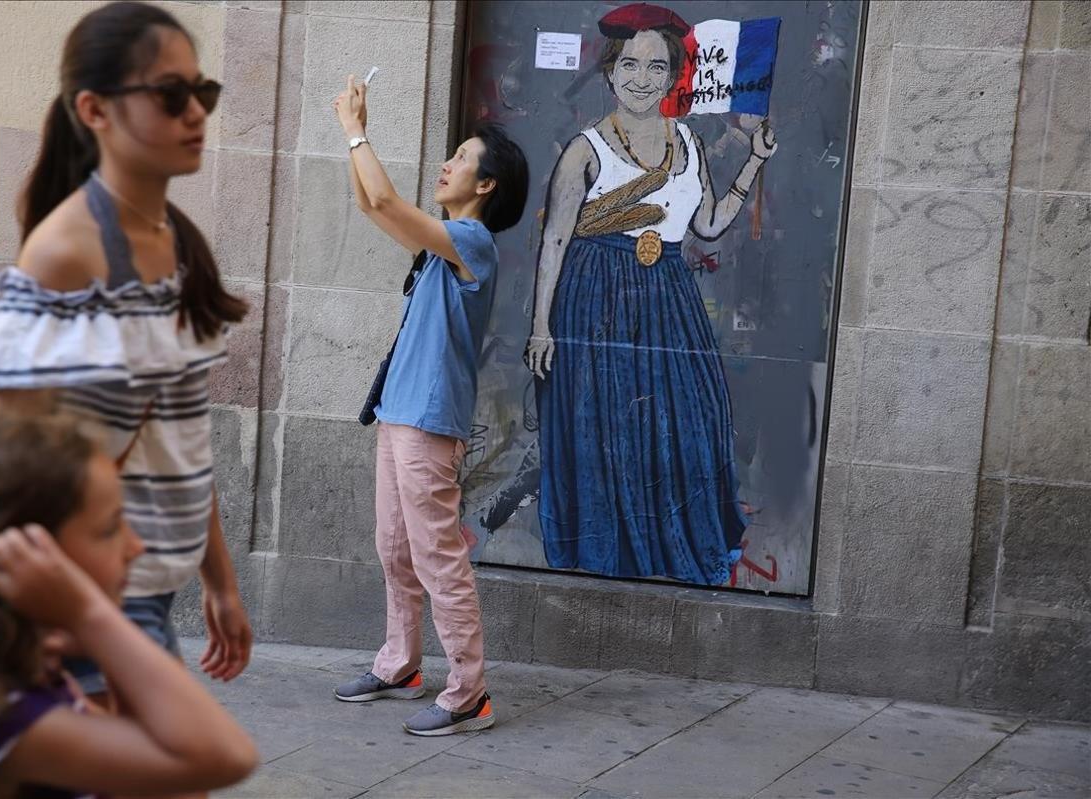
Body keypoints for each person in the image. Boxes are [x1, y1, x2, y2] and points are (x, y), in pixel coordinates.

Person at [0, 0, 252, 697]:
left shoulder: (173, 240)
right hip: (85, 597)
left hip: (149, 582)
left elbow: (181, 435)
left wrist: (220, 582)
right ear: (95, 110)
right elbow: (9, 463)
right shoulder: (61, 253)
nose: (197, 114)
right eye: (172, 96)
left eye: (201, 93)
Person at [524, 3, 778, 585]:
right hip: (594, 298)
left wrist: (753, 161)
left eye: (656, 66)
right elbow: (556, 241)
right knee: (604, 428)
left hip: (667, 298)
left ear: (672, 77)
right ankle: (610, 551)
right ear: (611, 72)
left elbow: (709, 225)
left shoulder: (687, 143)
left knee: (693, 418)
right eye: (630, 65)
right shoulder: (585, 150)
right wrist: (542, 325)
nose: (642, 78)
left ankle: (673, 545)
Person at [0, 412, 258, 798]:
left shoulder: (23, 680)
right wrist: (91, 617)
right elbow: (225, 757)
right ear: (28, 554)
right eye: (111, 527)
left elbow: (163, 781)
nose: (136, 547)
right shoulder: (3, 723)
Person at [329, 76, 529, 736]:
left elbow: (384, 195)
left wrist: (359, 131)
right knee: (395, 548)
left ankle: (469, 688)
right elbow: (373, 206)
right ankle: (400, 663)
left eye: (461, 158)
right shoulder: (442, 244)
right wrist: (351, 136)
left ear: (487, 184)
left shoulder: (472, 244)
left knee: (437, 556)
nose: (447, 164)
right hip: (398, 414)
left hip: (428, 424)